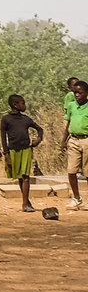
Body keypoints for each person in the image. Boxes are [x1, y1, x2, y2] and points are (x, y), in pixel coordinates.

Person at [0, 95, 44, 212]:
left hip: (26, 150)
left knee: (25, 176)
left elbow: (40, 129)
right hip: (13, 151)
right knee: (20, 176)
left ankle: (25, 204)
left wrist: (38, 139)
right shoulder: (6, 119)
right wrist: (6, 154)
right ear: (15, 105)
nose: (25, 106)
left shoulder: (26, 119)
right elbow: (3, 137)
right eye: (22, 103)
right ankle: (26, 201)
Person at [63, 77, 88, 211]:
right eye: (75, 93)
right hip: (73, 140)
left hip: (86, 140)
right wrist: (64, 140)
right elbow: (68, 124)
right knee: (71, 171)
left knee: (87, 172)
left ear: (86, 93)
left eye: (80, 93)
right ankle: (77, 198)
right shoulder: (72, 106)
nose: (77, 95)